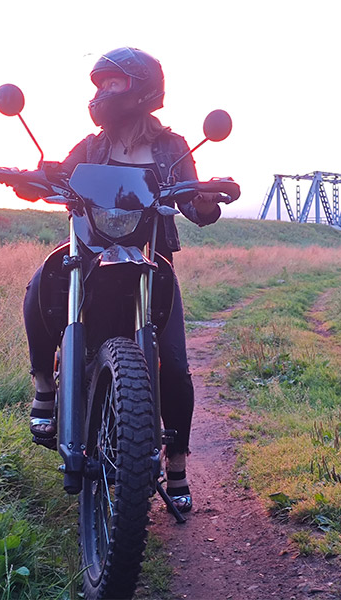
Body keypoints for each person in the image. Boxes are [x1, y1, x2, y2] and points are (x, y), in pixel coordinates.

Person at [20, 47, 239, 513]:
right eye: (100, 84)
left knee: (174, 365)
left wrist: (203, 199)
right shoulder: (92, 146)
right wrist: (29, 178)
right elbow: (57, 176)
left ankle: (176, 463)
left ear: (141, 88)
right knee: (42, 281)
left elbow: (194, 204)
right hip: (90, 260)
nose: (103, 92)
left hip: (149, 265)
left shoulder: (172, 147)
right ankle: (44, 387)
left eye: (113, 83)